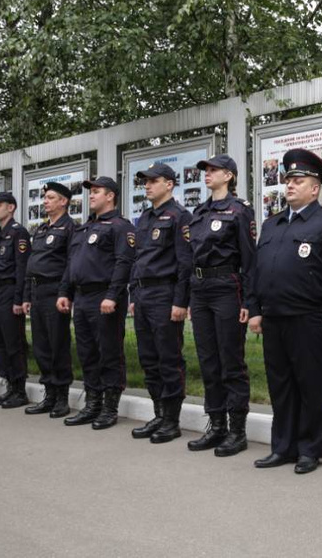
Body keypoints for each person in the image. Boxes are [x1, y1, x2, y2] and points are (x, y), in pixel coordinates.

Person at [248, 149, 322, 474]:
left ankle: (310, 449)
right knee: (281, 385)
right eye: (288, 180)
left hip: (310, 317)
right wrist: (255, 309)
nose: (290, 185)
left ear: (315, 187)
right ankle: (283, 447)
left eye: (298, 180)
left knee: (312, 385)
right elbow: (258, 271)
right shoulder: (272, 224)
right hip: (274, 316)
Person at [185, 154, 256, 457]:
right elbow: (192, 256)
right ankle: (216, 426)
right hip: (200, 289)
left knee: (231, 361)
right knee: (208, 361)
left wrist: (250, 302)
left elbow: (250, 260)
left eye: (213, 170)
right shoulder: (199, 212)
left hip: (228, 287)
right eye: (206, 170)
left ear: (229, 175)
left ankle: (237, 430)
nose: (207, 174)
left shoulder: (240, 211)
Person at [58, 176, 136, 430]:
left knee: (109, 352)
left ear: (110, 195)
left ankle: (109, 408)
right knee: (87, 353)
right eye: (90, 192)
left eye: (96, 191)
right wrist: (64, 292)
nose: (91, 196)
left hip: (104, 297)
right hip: (81, 297)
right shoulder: (84, 228)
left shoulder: (119, 226)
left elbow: (123, 263)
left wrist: (112, 295)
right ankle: (92, 404)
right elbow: (71, 264)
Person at [129, 161, 193, 443]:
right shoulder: (144, 219)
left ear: (169, 183)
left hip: (165, 295)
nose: (147, 185)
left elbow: (185, 263)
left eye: (153, 181)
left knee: (169, 358)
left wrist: (180, 301)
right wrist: (133, 295)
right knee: (148, 358)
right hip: (143, 296)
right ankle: (158, 412)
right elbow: (138, 259)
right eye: (145, 181)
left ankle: (171, 419)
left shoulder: (180, 217)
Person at [22, 182, 77, 418]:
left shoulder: (70, 228)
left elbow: (70, 265)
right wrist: (26, 296)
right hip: (37, 292)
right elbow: (31, 265)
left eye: (50, 197)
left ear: (63, 201)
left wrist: (65, 293)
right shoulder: (41, 229)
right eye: (45, 197)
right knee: (41, 346)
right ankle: (49, 394)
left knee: (58, 345)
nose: (45, 201)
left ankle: (62, 397)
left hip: (55, 292)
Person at [0, 191, 32, 409]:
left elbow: (22, 268)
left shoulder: (18, 232)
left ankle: (20, 389)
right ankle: (9, 384)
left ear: (10, 207)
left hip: (9, 291)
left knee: (13, 342)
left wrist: (19, 298)